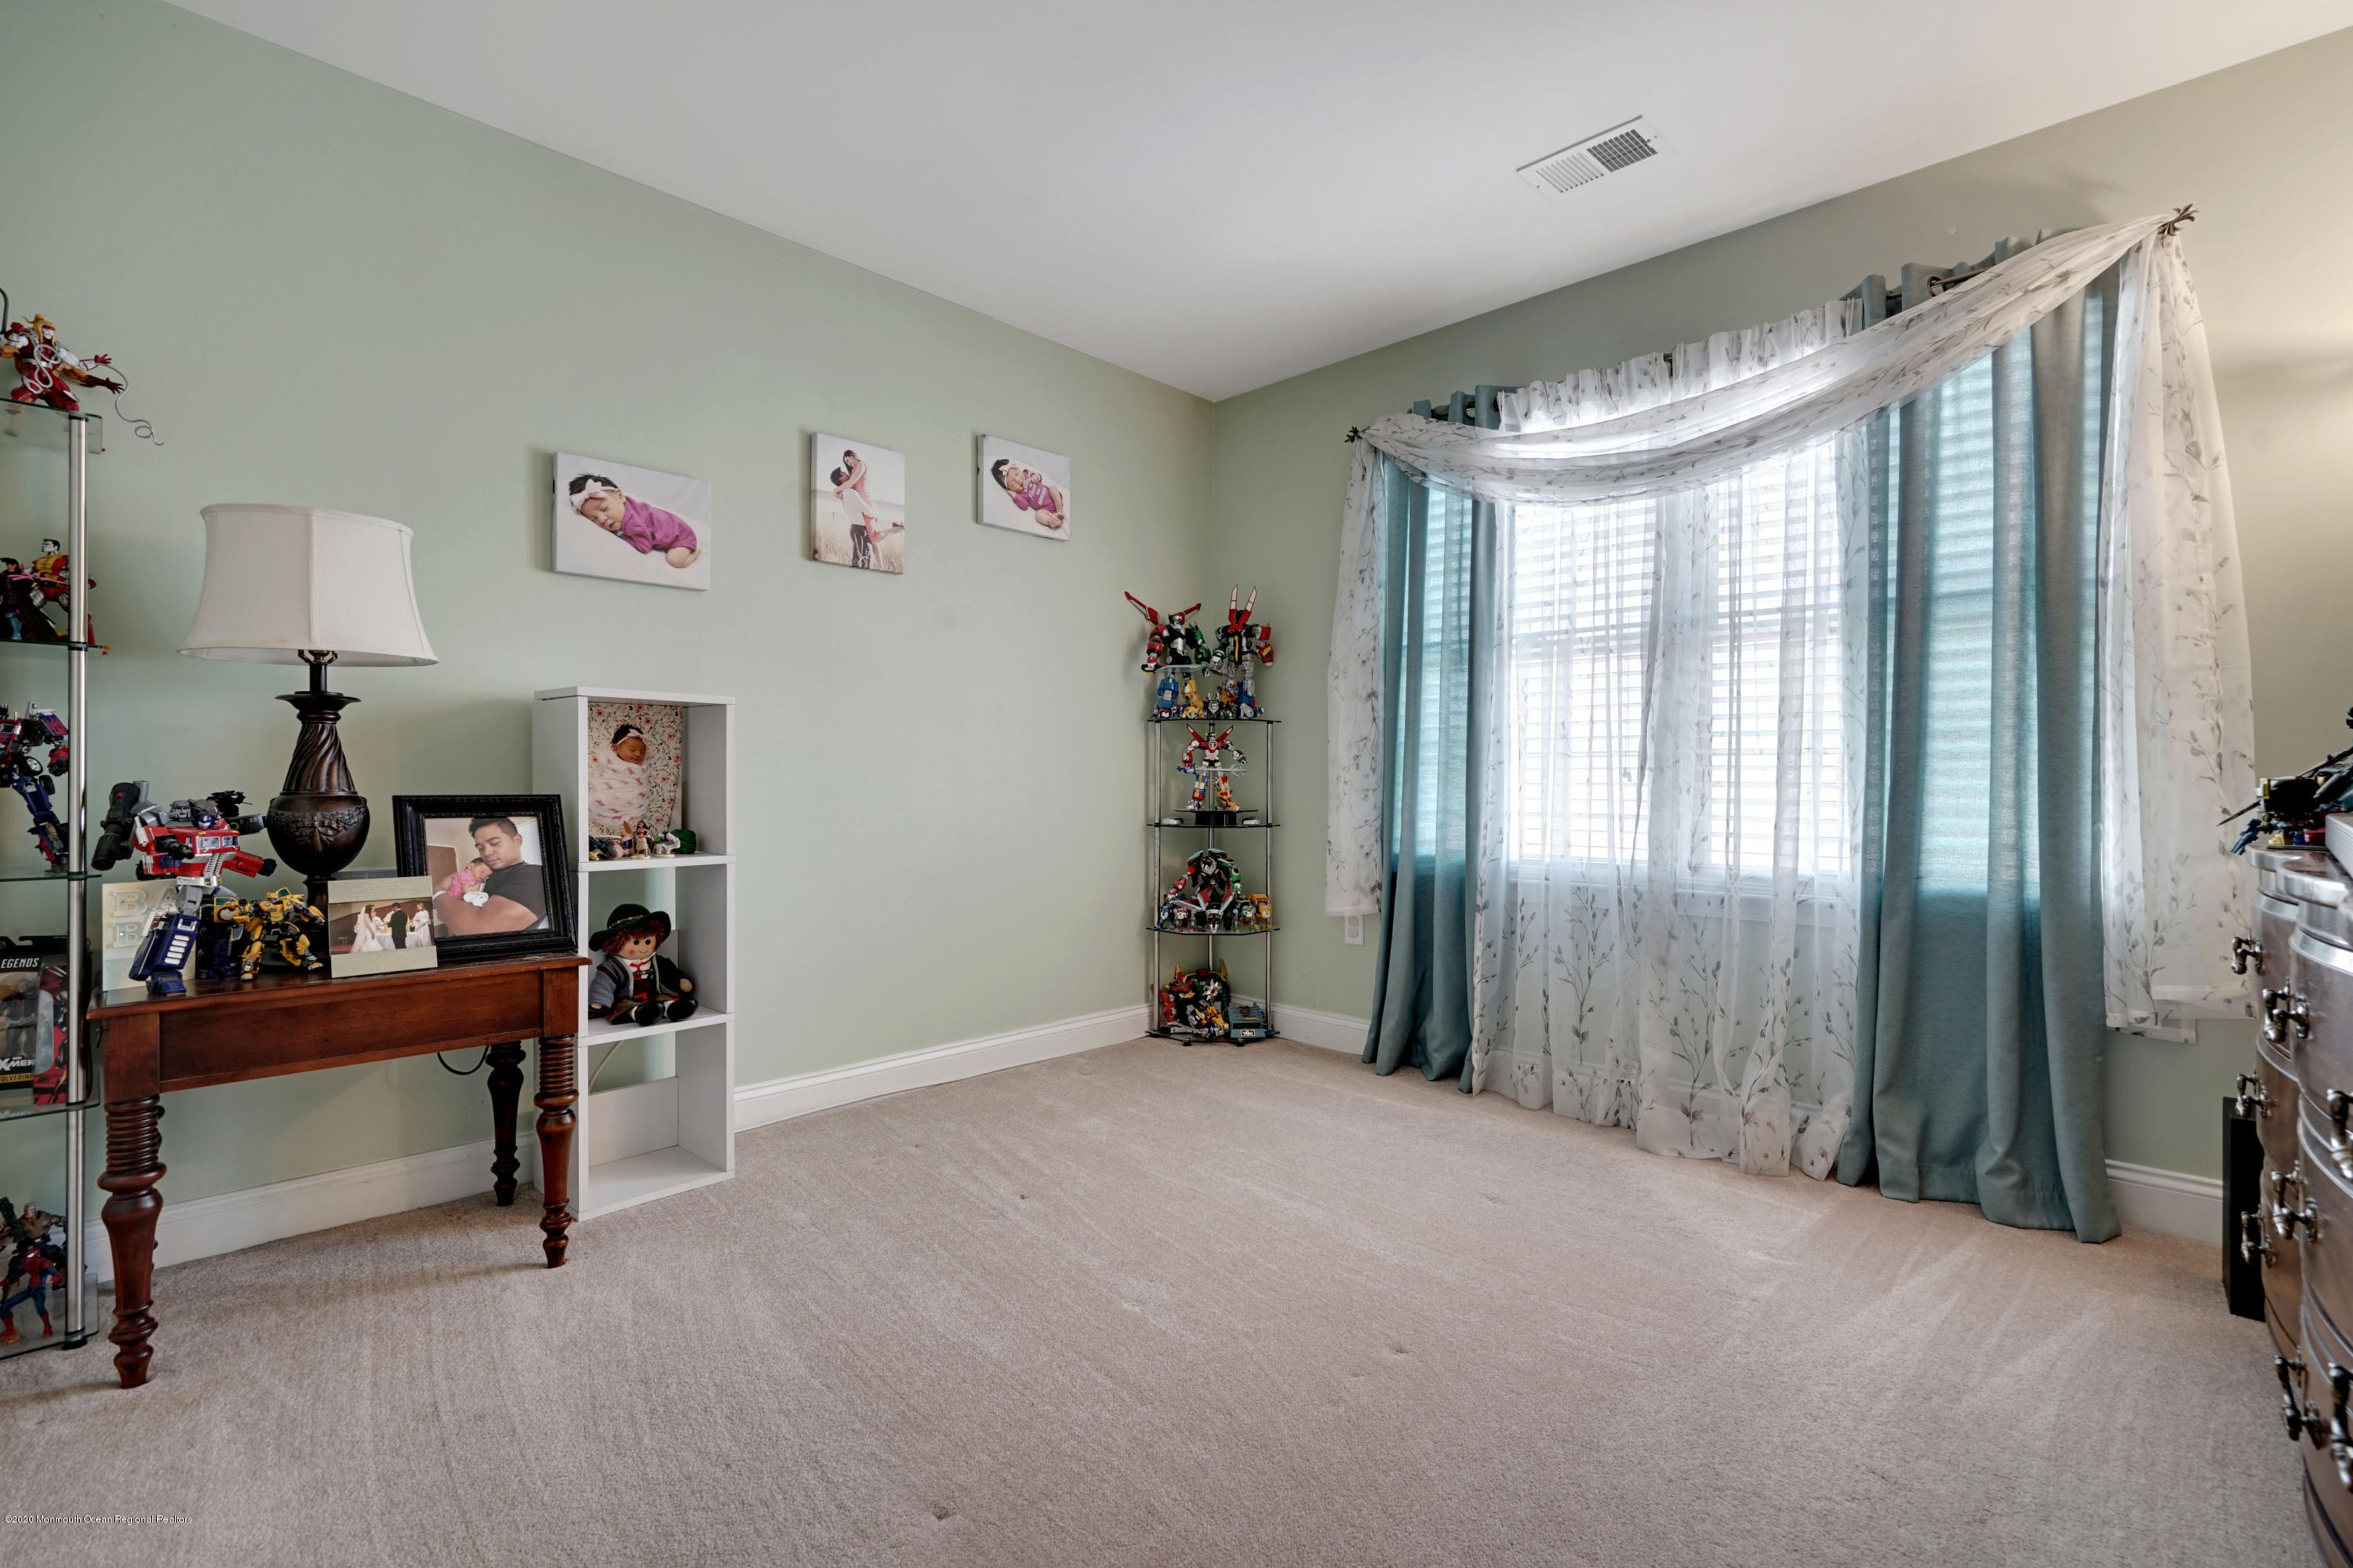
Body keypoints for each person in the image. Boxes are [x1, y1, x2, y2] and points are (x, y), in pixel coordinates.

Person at [433, 817, 548, 935]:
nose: (487, 853)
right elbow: (454, 885)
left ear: (517, 840)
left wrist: (438, 892)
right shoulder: (484, 868)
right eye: (480, 848)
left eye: (494, 843)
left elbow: (477, 929)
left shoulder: (537, 875)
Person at [567, 473, 701, 569]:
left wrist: (621, 535)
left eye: (604, 509)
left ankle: (694, 552)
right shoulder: (625, 506)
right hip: (672, 527)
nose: (602, 519)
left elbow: (644, 547)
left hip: (680, 537)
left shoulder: (633, 524)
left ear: (620, 496)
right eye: (593, 519)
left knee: (674, 560)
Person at [588, 722, 653, 839]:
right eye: (632, 750)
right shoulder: (610, 764)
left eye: (642, 752)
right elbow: (602, 781)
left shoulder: (642, 769)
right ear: (616, 748)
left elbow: (642, 788)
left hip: (632, 809)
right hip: (607, 801)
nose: (638, 754)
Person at [989, 457, 1065, 531]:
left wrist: (1037, 477)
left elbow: (1038, 478)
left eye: (1017, 474)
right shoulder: (1019, 494)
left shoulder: (1026, 474)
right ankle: (1054, 521)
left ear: (1019, 469)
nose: (1018, 480)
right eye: (1013, 483)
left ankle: (1059, 511)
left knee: (1053, 488)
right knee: (1038, 515)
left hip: (1053, 497)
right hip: (1046, 510)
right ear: (1009, 488)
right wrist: (1013, 495)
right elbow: (1024, 506)